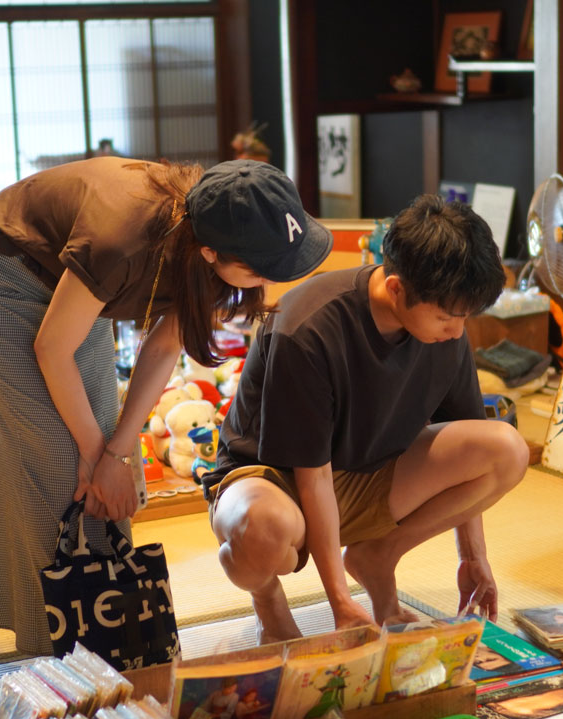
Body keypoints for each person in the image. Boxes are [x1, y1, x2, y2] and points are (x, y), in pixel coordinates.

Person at [0, 157, 332, 655]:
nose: (266, 281)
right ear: (212, 251)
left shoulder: (219, 222)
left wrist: (117, 454)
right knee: (61, 463)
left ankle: (105, 632)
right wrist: (96, 455)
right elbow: (52, 349)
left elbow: (162, 347)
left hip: (70, 286)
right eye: (261, 269)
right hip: (0, 276)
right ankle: (61, 648)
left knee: (107, 458)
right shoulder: (123, 241)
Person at [204, 194, 528, 642]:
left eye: (464, 317)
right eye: (446, 318)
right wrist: (340, 602)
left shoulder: (445, 327)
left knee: (506, 449)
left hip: (368, 474)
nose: (457, 331)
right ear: (395, 287)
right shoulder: (309, 327)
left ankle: (378, 556)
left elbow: (466, 426)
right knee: (262, 531)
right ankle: (269, 602)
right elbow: (312, 478)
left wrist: (472, 557)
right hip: (277, 482)